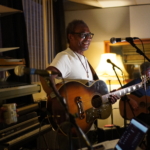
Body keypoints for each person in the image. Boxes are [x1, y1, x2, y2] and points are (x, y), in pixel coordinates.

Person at [40, 19, 119, 150]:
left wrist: (109, 97)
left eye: (89, 35)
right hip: (71, 127)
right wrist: (57, 99)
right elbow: (46, 76)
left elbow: (90, 95)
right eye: (83, 35)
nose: (88, 38)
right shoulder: (65, 56)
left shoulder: (84, 59)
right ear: (70, 36)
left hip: (86, 125)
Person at [118, 61, 150, 150]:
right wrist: (130, 100)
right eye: (149, 71)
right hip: (137, 113)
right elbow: (118, 92)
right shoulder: (137, 82)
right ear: (143, 72)